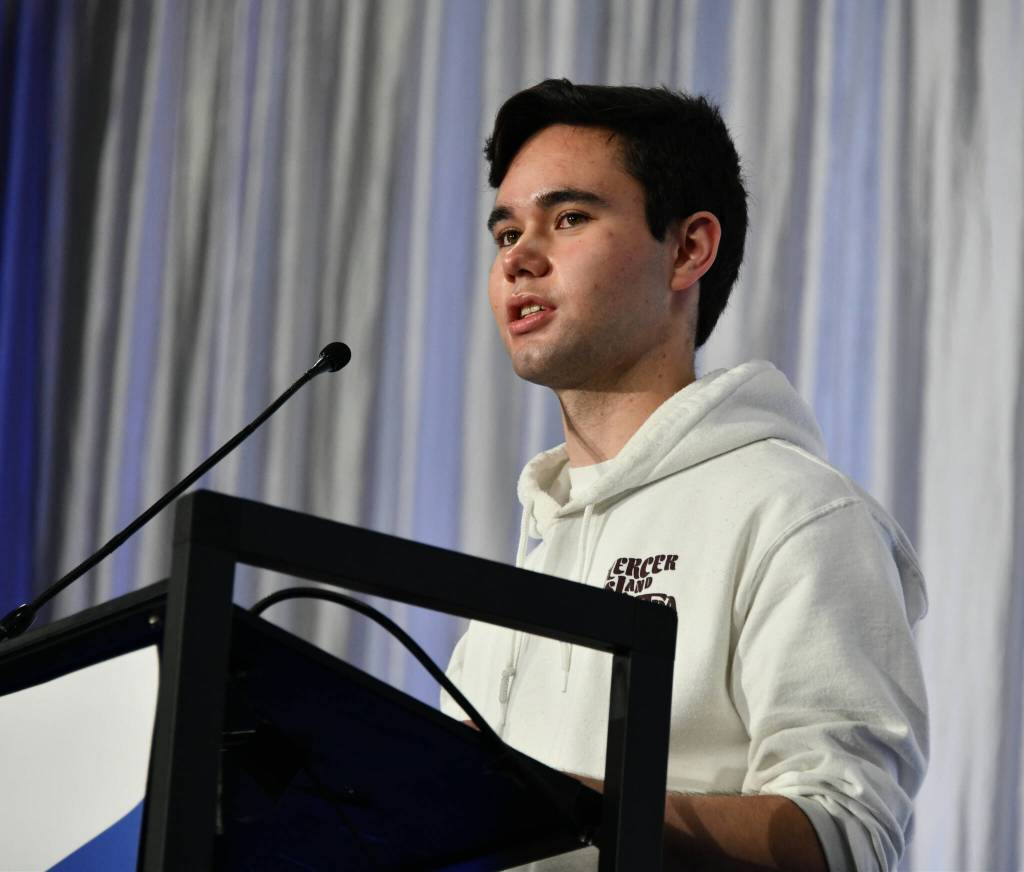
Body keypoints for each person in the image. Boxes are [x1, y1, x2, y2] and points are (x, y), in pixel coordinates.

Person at [440, 79, 928, 872]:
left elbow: (848, 835)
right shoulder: (528, 555)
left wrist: (549, 804)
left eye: (568, 219)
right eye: (504, 234)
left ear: (688, 249)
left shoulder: (798, 513)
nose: (520, 258)